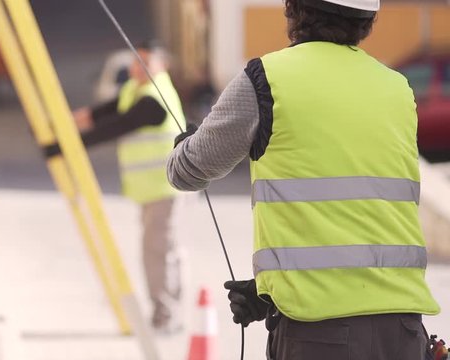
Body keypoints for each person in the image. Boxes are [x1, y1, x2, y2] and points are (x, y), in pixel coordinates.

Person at [167, 0, 440, 358]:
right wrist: (272, 290)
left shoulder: (267, 79)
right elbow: (359, 214)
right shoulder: (397, 90)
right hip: (403, 333)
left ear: (295, 10)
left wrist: (183, 146)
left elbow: (187, 171)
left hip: (318, 334)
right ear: (368, 19)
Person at [51, 41, 185, 333]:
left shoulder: (154, 98)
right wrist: (59, 123)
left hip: (164, 188)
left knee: (157, 252)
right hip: (153, 189)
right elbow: (100, 115)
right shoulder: (133, 90)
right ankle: (168, 311)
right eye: (136, 62)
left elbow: (115, 127)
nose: (140, 67)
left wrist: (63, 146)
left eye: (147, 62)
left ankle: (165, 314)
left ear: (162, 66)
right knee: (163, 250)